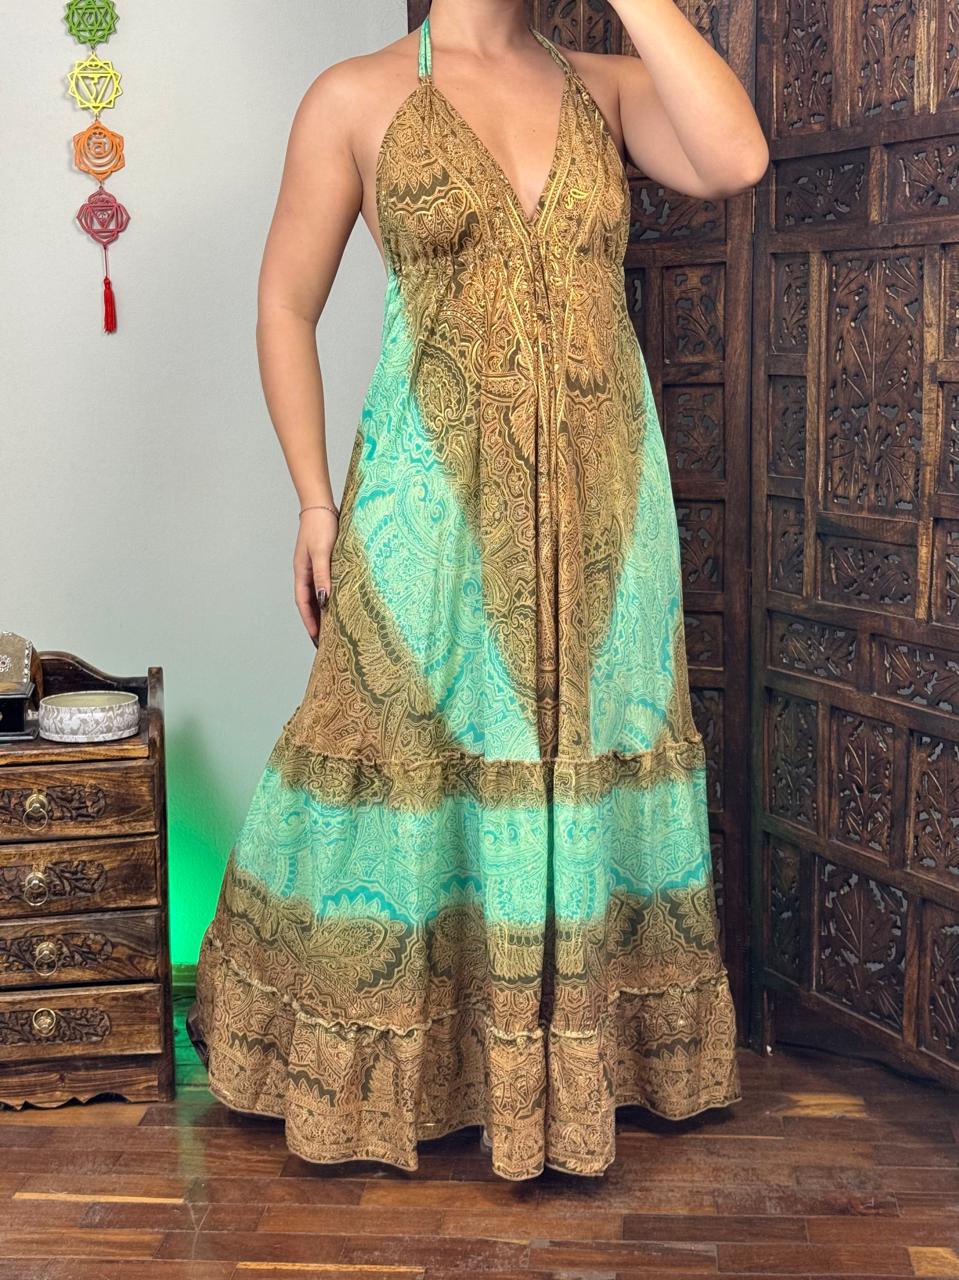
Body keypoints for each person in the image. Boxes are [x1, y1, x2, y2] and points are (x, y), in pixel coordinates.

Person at [189, 0, 769, 1181]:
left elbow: (734, 158)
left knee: (596, 737)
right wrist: (313, 502)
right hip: (429, 503)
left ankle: (575, 1061)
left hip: (604, 504)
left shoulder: (604, 86)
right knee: (405, 746)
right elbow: (283, 304)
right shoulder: (353, 95)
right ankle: (409, 1071)